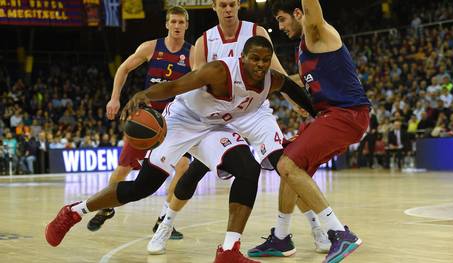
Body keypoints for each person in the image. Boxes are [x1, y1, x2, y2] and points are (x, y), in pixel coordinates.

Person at [45, 36, 316, 263]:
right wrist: (144, 95)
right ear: (242, 57)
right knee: (142, 188)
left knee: (248, 168)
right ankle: (74, 211)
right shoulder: (219, 71)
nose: (260, 64)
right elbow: (175, 86)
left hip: (213, 128)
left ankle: (229, 252)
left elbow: (292, 87)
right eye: (254, 58)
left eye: (265, 60)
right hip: (181, 122)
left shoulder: (271, 79)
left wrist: (318, 114)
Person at [148, 0, 331, 257]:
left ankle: (317, 228)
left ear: (238, 6)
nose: (228, 9)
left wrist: (295, 102)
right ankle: (165, 224)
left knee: (287, 165)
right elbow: (197, 84)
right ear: (215, 7)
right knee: (195, 171)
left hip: (254, 111)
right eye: (223, 5)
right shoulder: (204, 41)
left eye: (232, 4)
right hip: (219, 115)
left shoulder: (257, 32)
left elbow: (277, 73)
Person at [248, 1, 370, 263]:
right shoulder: (303, 50)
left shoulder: (316, 32)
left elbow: (312, 10)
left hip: (346, 114)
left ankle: (338, 232)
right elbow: (288, 81)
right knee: (289, 167)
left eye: (282, 20)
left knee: (288, 164)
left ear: (298, 13)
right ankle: (281, 237)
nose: (280, 27)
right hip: (330, 116)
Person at [84, 6, 193, 239]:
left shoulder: (193, 54)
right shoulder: (150, 47)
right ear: (166, 24)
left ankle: (164, 220)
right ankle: (105, 208)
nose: (176, 26)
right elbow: (123, 69)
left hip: (177, 121)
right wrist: (114, 98)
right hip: (148, 120)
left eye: (180, 22)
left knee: (183, 167)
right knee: (123, 169)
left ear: (186, 25)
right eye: (173, 21)